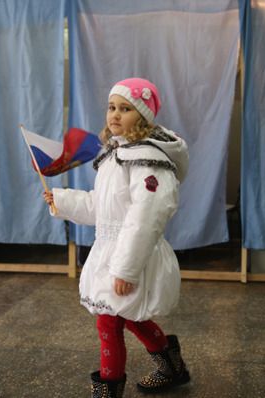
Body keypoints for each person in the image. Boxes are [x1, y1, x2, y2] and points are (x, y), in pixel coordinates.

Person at [43, 78, 190, 397]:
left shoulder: (149, 161)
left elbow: (147, 217)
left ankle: (109, 389)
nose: (115, 115)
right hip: (111, 249)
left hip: (133, 253)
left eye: (126, 108)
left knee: (109, 322)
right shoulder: (116, 153)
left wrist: (126, 268)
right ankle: (171, 365)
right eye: (112, 107)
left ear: (143, 116)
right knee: (130, 317)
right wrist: (64, 201)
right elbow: (103, 207)